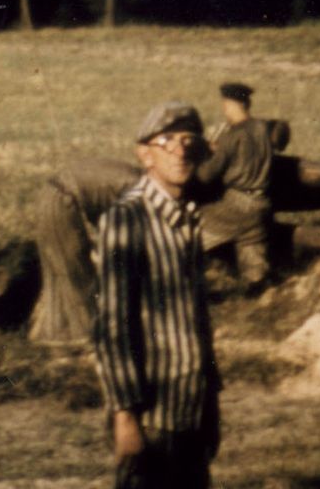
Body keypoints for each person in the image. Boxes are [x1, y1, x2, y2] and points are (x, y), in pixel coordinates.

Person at [94, 101, 221, 488]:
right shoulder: (127, 217)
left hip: (191, 410)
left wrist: (210, 404)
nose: (180, 150)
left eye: (188, 140)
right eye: (166, 141)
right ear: (144, 154)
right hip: (152, 416)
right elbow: (112, 325)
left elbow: (196, 322)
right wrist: (125, 416)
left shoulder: (188, 220)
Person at [28, 159, 141, 343]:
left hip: (54, 196)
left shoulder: (136, 181)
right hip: (61, 201)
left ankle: (54, 330)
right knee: (73, 273)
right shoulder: (141, 189)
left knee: (64, 271)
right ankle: (71, 336)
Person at [195, 83, 276, 292]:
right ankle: (259, 286)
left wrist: (205, 155)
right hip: (262, 203)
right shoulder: (262, 127)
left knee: (194, 225)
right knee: (251, 248)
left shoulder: (232, 135)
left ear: (229, 104)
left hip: (238, 204)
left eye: (225, 105)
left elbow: (207, 175)